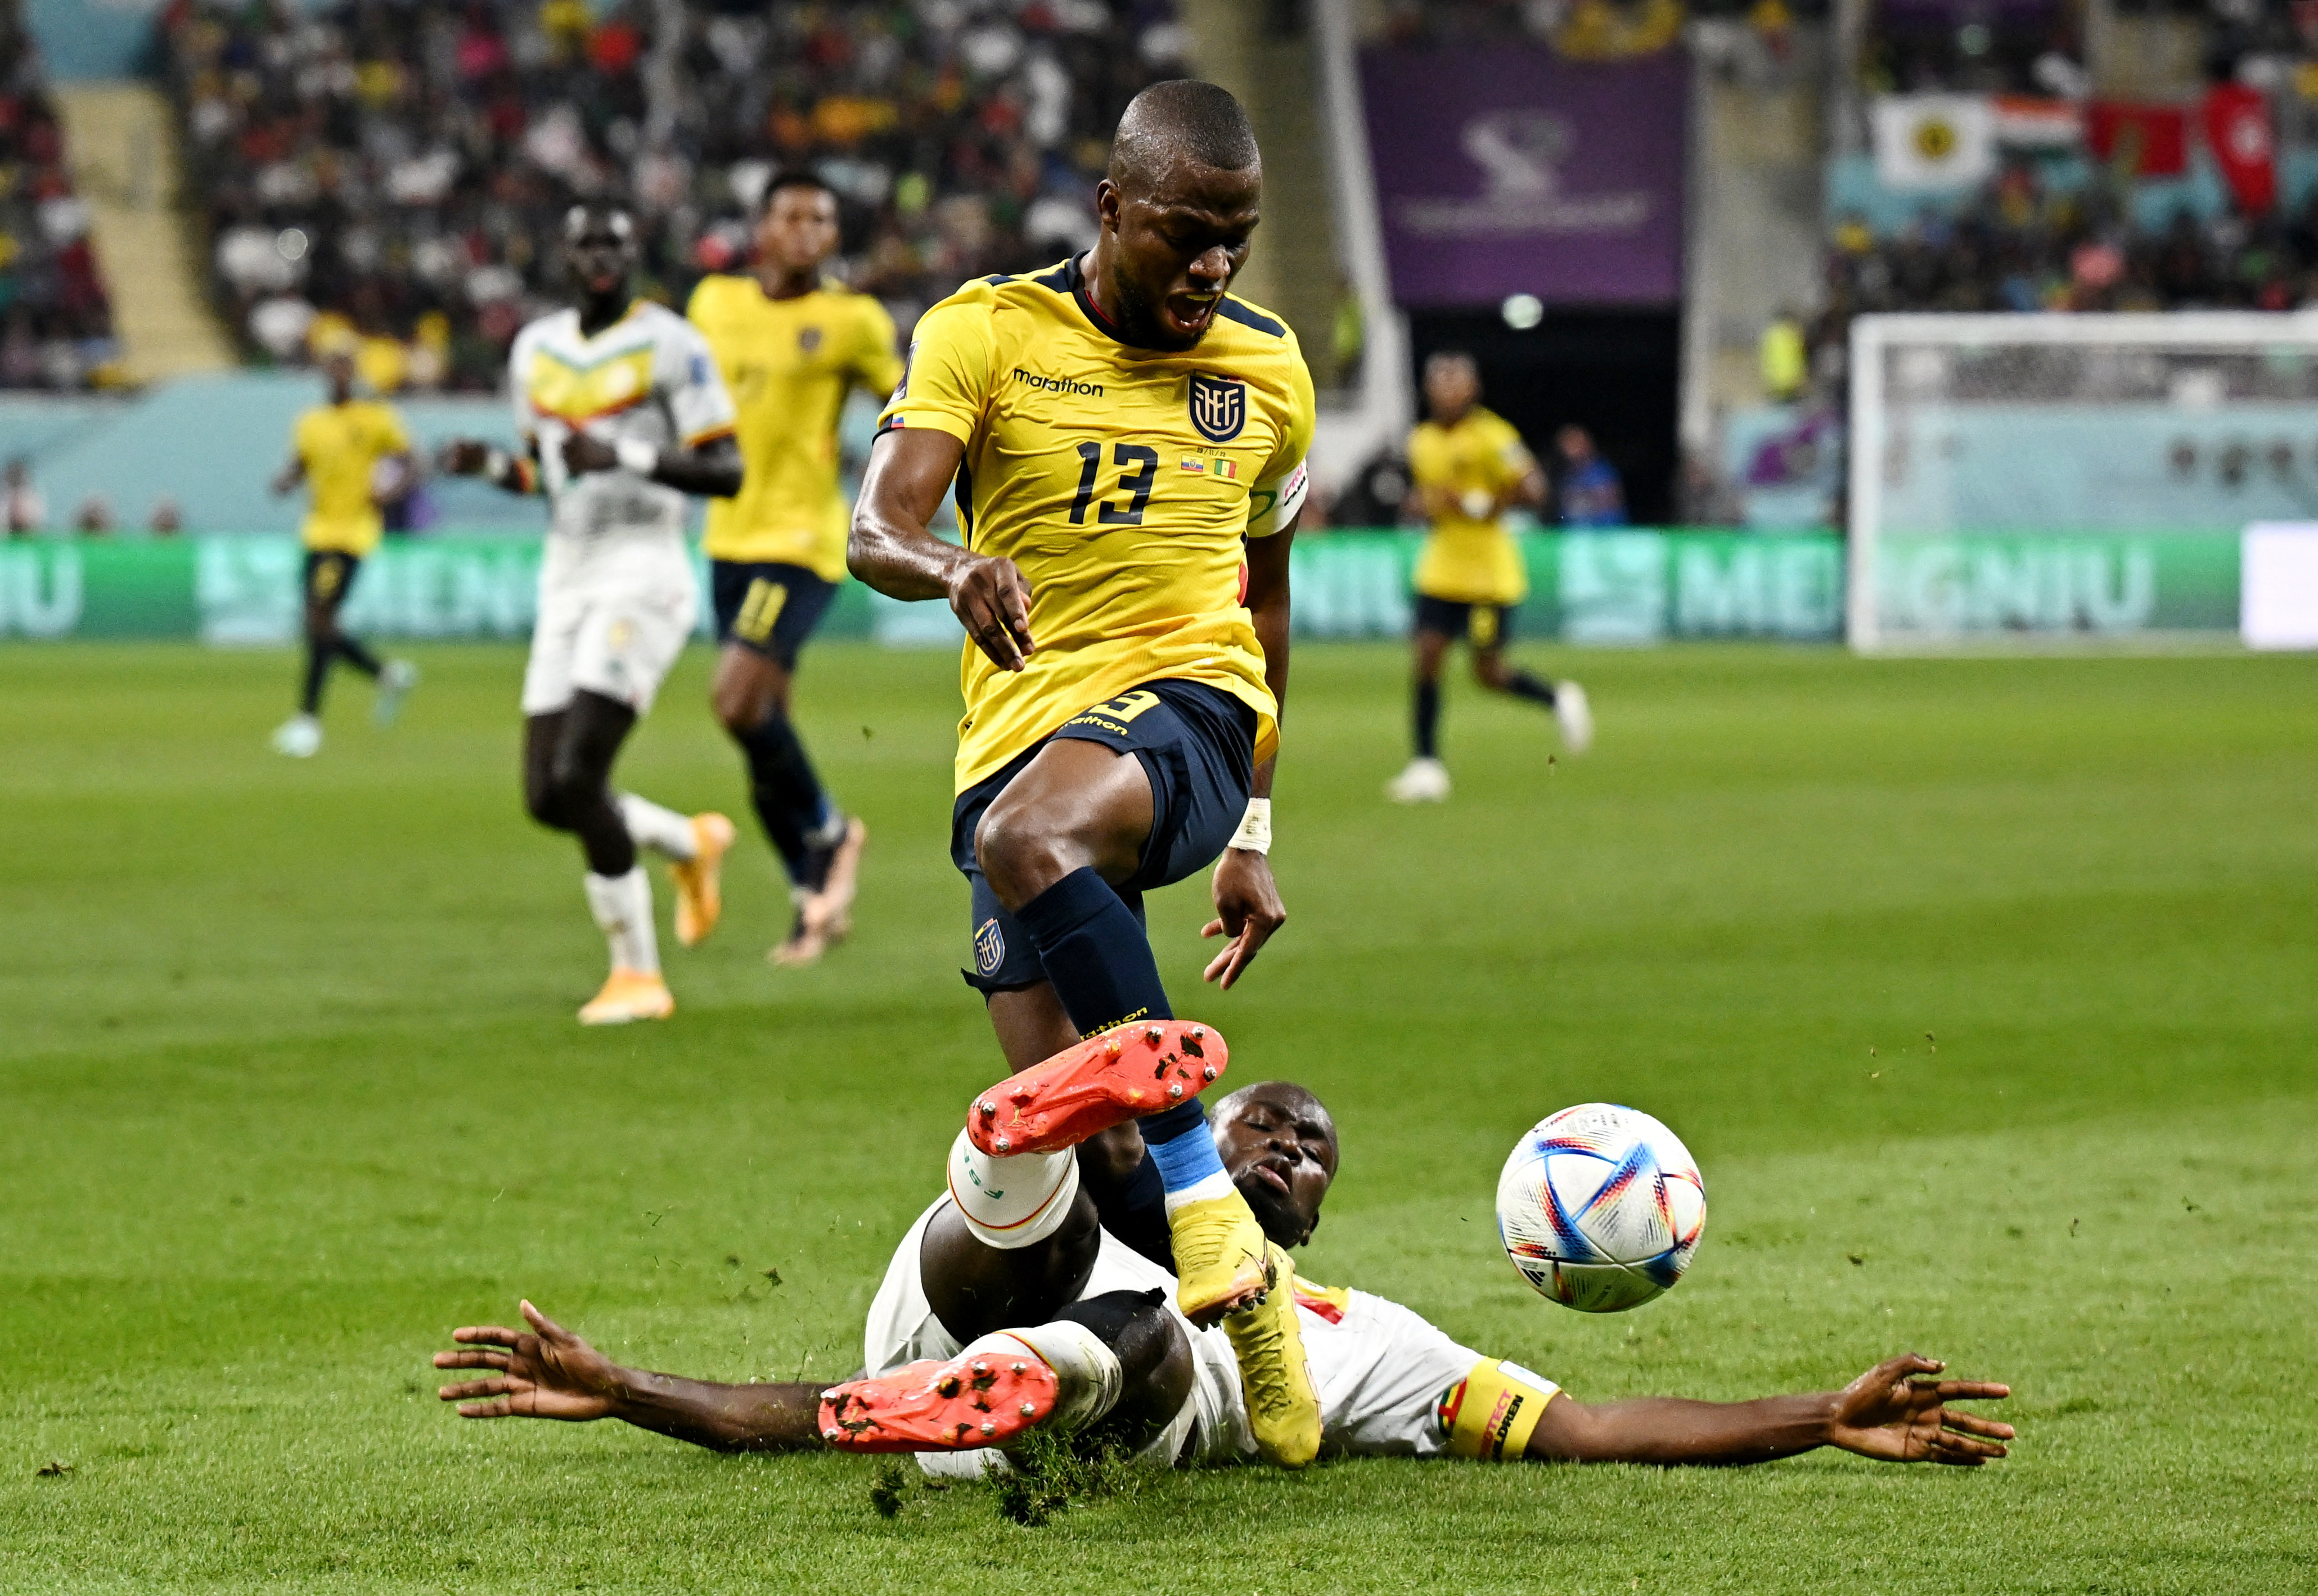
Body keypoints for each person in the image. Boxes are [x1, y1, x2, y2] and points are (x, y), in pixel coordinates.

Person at [845, 80, 1321, 1464]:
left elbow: (1265, 600)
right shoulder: (985, 331)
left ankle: (1207, 1202)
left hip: (1189, 711)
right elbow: (875, 529)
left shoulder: (1268, 370)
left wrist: (1251, 823)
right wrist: (951, 564)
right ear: (1110, 209)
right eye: (1185, 235)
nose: (1212, 268)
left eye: (1234, 241)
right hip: (1016, 744)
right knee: (1092, 1144)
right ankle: (1256, 1313)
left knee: (1032, 838)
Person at [432, 1078, 2015, 1476]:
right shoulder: (1149, 1188)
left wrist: (1818, 1414)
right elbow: (811, 1404)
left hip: (1096, 1411)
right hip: (951, 1336)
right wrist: (628, 1387)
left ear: (1322, 1206)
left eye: (1310, 1146)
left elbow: (1590, 1424)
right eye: (1259, 1120)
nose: (1283, 1143)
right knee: (1050, 1209)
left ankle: (1030, 1333)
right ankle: (1017, 1135)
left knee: (1162, 1324)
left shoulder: (1377, 1338)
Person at [439, 204, 744, 1026]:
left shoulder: (672, 343)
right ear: (564, 256)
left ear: (634, 254)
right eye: (585, 244)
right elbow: (548, 473)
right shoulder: (533, 349)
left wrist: (627, 453)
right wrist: (488, 466)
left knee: (579, 775)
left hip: (643, 567)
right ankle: (687, 842)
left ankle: (638, 976)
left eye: (614, 242)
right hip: (567, 572)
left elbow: (727, 470)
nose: (600, 256)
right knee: (546, 795)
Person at [687, 172, 901, 967]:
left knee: (733, 700)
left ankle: (829, 831)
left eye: (822, 219)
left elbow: (910, 407)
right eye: (793, 216)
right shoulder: (714, 303)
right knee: (758, 725)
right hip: (727, 537)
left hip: (801, 539)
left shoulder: (852, 321)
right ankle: (810, 893)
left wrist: (895, 487)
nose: (808, 230)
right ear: (763, 229)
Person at [1385, 351, 1590, 805]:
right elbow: (1428, 499)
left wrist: (1482, 503)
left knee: (1488, 673)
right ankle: (1426, 764)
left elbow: (1534, 489)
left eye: (1454, 381)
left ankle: (1557, 699)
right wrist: (1424, 505)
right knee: (1426, 658)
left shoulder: (1493, 436)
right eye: (1438, 381)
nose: (1445, 390)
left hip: (1487, 576)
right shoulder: (1420, 441)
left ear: (1472, 389)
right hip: (1441, 569)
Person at [267, 348, 420, 759]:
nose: (337, 372)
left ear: (352, 372)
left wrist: (389, 493)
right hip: (317, 532)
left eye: (344, 366)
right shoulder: (310, 423)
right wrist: (285, 481)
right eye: (331, 365)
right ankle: (386, 674)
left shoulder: (374, 419)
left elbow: (411, 463)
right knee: (317, 623)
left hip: (352, 533)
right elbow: (301, 464)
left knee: (319, 618)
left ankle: (308, 722)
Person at [1555, 424, 1627, 527]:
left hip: (1607, 530)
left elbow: (1612, 501)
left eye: (1574, 443)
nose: (1570, 449)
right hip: (1574, 532)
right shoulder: (1566, 475)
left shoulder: (1602, 471)